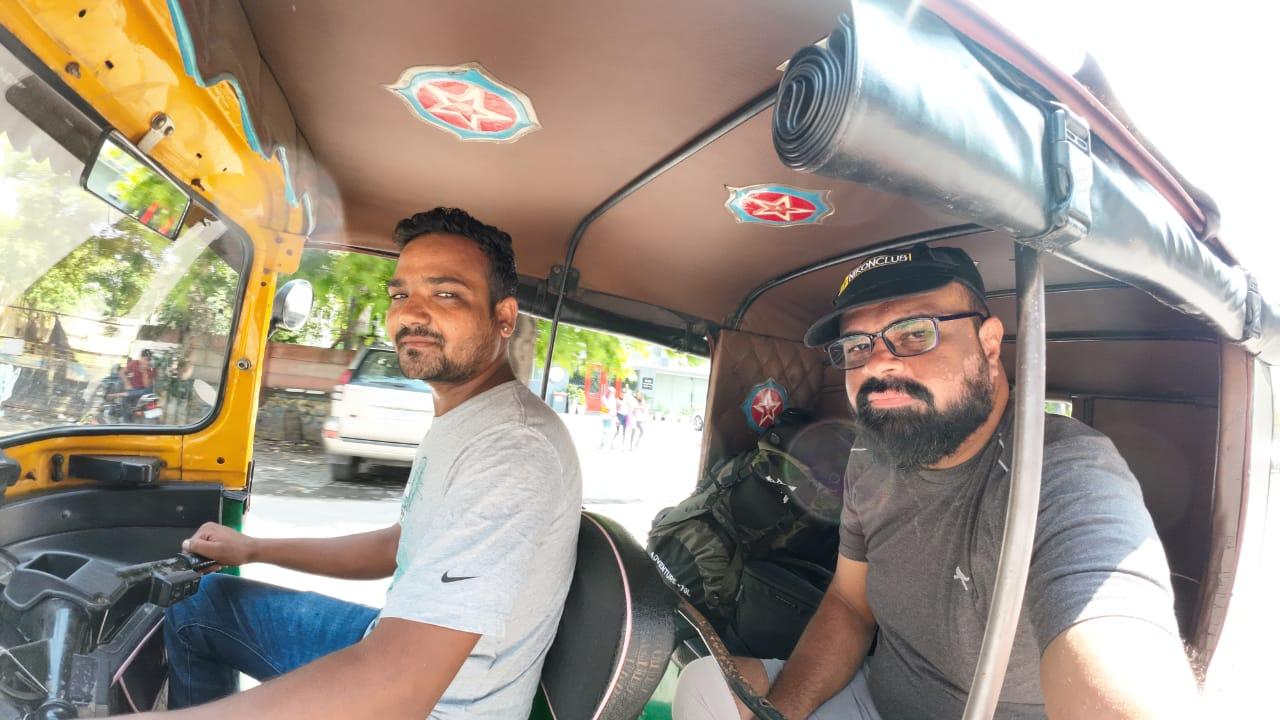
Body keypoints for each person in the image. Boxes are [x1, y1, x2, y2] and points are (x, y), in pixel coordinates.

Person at [673, 244, 1200, 719]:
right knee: (704, 684)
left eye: (914, 333)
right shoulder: (870, 453)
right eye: (857, 346)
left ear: (989, 344)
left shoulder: (1066, 474)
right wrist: (779, 714)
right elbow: (850, 606)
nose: (878, 362)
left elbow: (1120, 663)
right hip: (876, 697)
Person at [146, 208, 583, 719]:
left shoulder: (513, 449)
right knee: (201, 605)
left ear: (503, 317)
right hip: (396, 650)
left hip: (436, 704)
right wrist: (254, 548)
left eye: (445, 293)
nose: (411, 314)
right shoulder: (465, 418)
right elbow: (400, 546)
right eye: (401, 294)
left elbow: (398, 690)